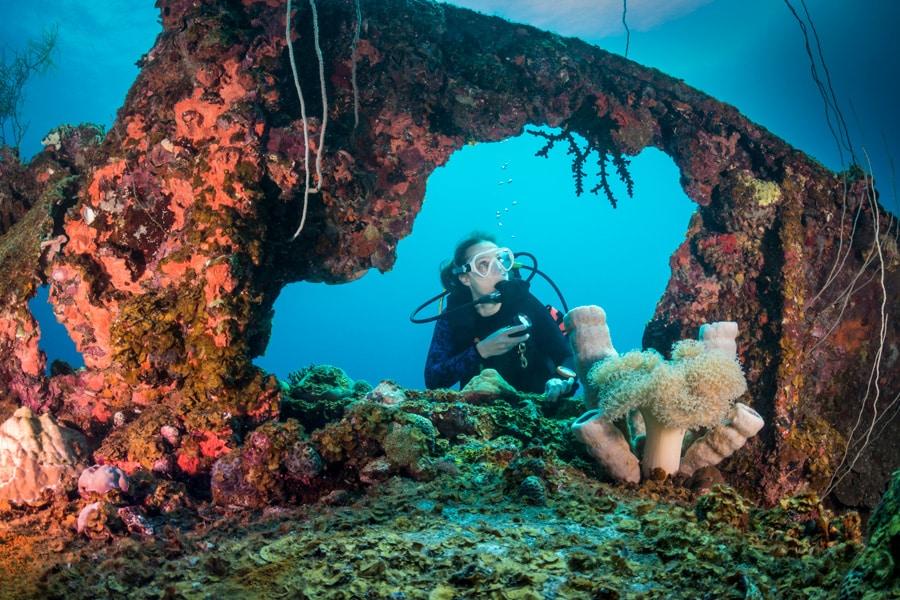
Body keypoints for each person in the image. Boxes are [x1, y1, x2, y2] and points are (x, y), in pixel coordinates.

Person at [424, 233, 576, 400]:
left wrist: (560, 382)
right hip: (479, 417)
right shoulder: (454, 317)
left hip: (541, 409)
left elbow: (566, 355)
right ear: (465, 278)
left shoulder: (525, 303)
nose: (499, 269)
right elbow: (433, 379)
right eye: (484, 264)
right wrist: (481, 351)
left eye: (500, 259)